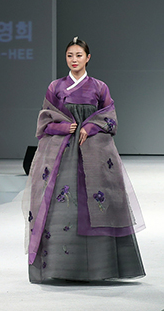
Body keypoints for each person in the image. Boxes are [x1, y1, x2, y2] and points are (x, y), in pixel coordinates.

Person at [24, 36, 146, 283]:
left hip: (94, 154)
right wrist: (63, 127)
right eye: (70, 56)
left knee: (98, 206)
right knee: (62, 206)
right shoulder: (55, 87)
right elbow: (44, 120)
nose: (74, 60)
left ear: (88, 58)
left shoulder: (99, 87)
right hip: (62, 154)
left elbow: (110, 117)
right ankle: (60, 267)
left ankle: (101, 268)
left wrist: (89, 126)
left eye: (79, 55)